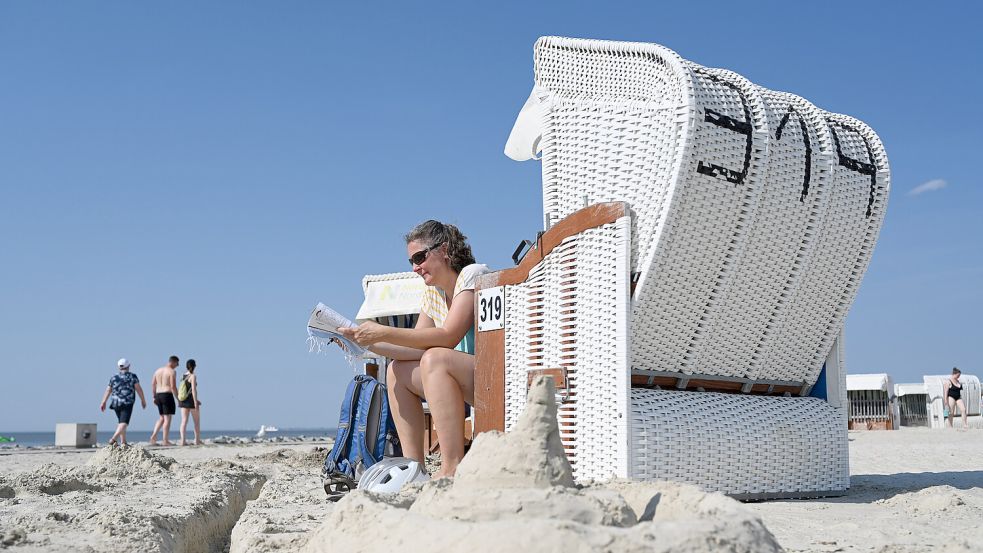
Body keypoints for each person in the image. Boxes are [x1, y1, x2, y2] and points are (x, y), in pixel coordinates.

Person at [337, 220, 489, 478]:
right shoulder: (433, 294)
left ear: (445, 249)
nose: (416, 267)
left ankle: (452, 467)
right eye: (411, 261)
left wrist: (382, 331)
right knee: (397, 371)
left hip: (492, 380)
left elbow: (447, 336)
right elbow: (415, 345)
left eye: (420, 257)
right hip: (465, 376)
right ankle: (414, 468)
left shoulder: (472, 275)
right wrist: (363, 344)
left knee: (435, 358)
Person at [99, 358, 147, 446]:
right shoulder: (132, 376)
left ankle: (123, 442)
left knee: (121, 422)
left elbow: (108, 390)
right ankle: (113, 438)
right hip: (127, 402)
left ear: (119, 367)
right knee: (124, 422)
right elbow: (139, 389)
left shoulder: (114, 377)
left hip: (115, 403)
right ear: (129, 366)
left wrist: (103, 402)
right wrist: (143, 400)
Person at [149, 355, 179, 445]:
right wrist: (178, 399)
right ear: (172, 362)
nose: (177, 365)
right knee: (167, 418)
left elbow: (153, 384)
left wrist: (153, 396)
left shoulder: (157, 370)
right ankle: (165, 440)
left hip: (158, 394)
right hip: (167, 394)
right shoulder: (172, 371)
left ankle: (154, 436)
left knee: (161, 417)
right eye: (177, 363)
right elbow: (173, 386)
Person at [178, 359, 202, 446]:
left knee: (184, 421)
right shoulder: (193, 376)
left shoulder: (183, 376)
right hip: (191, 401)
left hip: (183, 401)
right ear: (194, 366)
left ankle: (183, 441)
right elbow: (193, 390)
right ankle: (197, 441)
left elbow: (185, 390)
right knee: (196, 422)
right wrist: (195, 401)